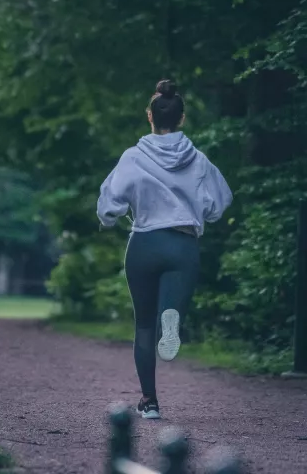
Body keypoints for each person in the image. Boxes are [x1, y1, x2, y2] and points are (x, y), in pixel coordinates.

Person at [97, 80, 232, 420]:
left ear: (150, 117)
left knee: (143, 327)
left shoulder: (133, 156)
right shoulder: (199, 160)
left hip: (143, 243)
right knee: (167, 316)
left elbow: (109, 205)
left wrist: (109, 218)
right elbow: (219, 204)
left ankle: (150, 401)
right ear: (182, 118)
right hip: (182, 244)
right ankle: (171, 319)